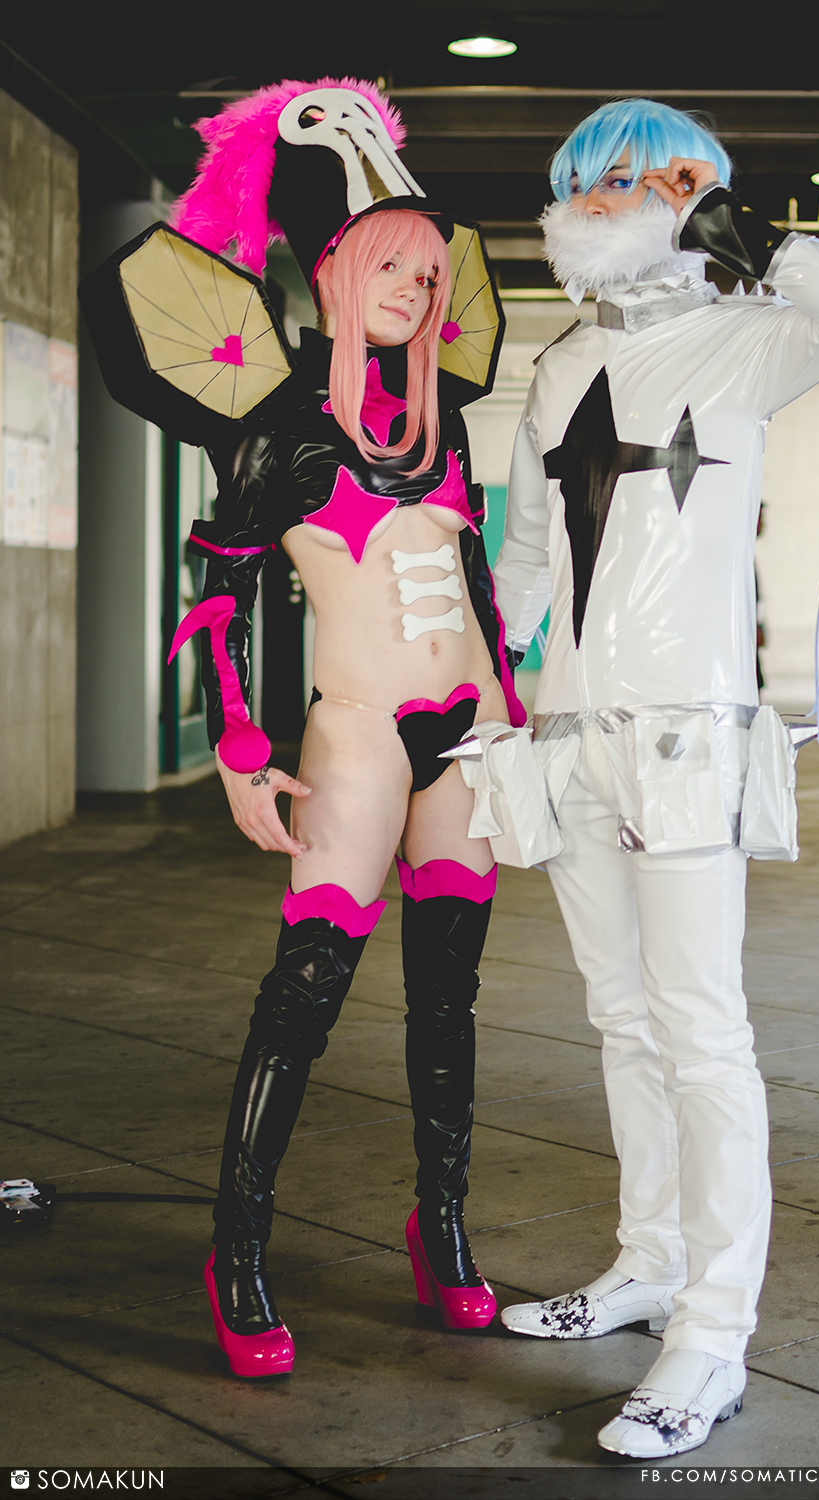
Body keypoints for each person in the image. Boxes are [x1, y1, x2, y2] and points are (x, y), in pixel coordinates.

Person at [493, 98, 819, 1457]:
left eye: (649, 179)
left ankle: (711, 1336)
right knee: (619, 1018)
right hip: (570, 730)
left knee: (701, 1031)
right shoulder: (557, 366)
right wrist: (478, 687)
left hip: (687, 735)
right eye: (593, 177)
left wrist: (742, 230)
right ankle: (648, 1261)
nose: (614, 195)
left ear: (695, 197)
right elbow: (527, 555)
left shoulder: (748, 335)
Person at [159, 79, 524, 1376]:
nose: (415, 292)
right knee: (306, 992)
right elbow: (216, 599)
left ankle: (442, 1227)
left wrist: (516, 714)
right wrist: (239, 753)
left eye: (428, 274)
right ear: (332, 274)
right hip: (360, 730)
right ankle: (237, 1249)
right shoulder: (280, 430)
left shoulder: (442, 423)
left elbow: (475, 587)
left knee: (449, 994)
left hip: (467, 731)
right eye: (391, 268)